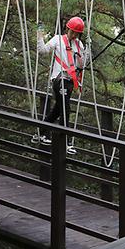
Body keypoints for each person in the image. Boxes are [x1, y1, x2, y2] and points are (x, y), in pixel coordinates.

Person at [34, 16, 91, 155]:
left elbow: (82, 65)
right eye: (71, 31)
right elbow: (42, 51)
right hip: (59, 79)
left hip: (71, 82)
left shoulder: (79, 45)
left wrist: (88, 50)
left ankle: (38, 134)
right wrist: (39, 34)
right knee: (65, 109)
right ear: (67, 29)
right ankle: (65, 142)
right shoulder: (58, 39)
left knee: (57, 110)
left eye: (76, 33)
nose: (73, 35)